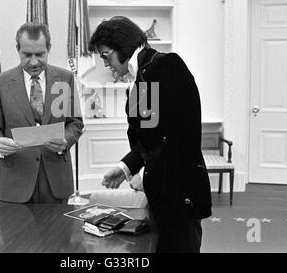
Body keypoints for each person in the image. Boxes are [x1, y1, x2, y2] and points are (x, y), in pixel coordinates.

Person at [88, 16, 212, 253]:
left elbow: (181, 137)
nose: (106, 64)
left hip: (179, 194)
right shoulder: (139, 79)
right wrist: (125, 167)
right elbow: (150, 141)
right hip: (160, 197)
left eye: (105, 55)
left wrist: (146, 174)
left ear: (122, 46)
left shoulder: (167, 66)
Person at [0, 22, 83, 204]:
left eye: (40, 54)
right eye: (27, 55)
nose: (34, 61)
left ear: (49, 48)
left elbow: (75, 123)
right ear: (17, 50)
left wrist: (65, 141)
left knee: (58, 233)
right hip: (16, 183)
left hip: (56, 182)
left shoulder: (65, 78)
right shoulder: (0, 82)